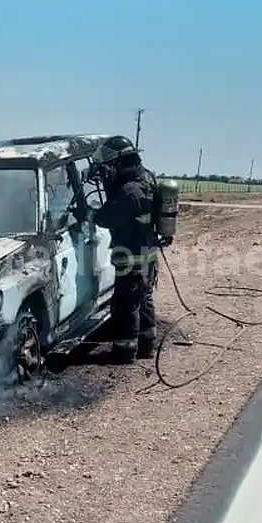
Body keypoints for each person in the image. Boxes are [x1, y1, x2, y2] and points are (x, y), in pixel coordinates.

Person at [86, 136, 161, 363]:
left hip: (132, 255)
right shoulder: (145, 177)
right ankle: (147, 346)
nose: (106, 172)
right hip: (146, 251)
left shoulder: (130, 191)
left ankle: (124, 352)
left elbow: (107, 216)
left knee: (126, 304)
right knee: (144, 298)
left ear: (119, 163)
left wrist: (90, 213)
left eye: (108, 167)